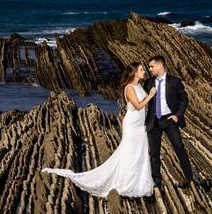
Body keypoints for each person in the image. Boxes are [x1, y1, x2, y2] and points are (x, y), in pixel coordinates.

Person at [40, 62, 156, 198]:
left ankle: (139, 182)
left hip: (140, 124)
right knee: (130, 152)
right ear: (134, 73)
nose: (144, 72)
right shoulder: (129, 88)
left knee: (140, 152)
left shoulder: (139, 86)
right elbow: (138, 106)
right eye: (141, 70)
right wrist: (151, 95)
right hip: (132, 124)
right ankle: (126, 182)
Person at [143, 55, 200, 188]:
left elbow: (184, 100)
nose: (150, 69)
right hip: (154, 121)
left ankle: (189, 178)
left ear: (160, 65)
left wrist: (177, 115)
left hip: (170, 120)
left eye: (152, 66)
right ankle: (157, 182)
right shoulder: (148, 82)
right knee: (154, 153)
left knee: (179, 148)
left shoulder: (174, 81)